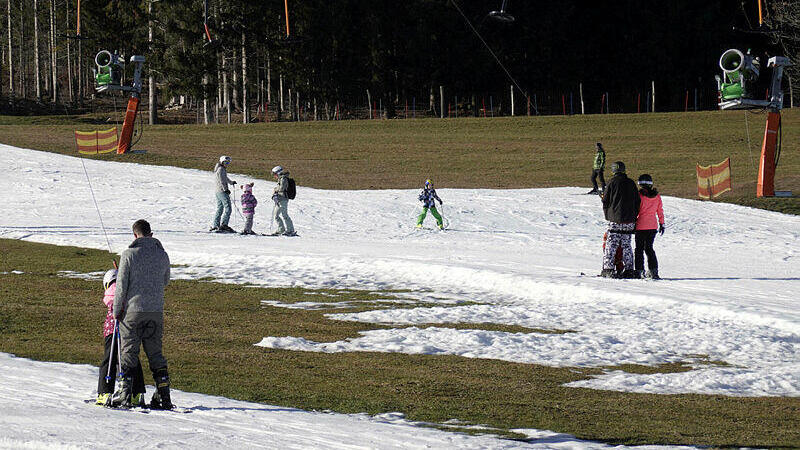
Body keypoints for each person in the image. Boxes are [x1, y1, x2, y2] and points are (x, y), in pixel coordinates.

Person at [112, 219, 173, 409]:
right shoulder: (162, 255)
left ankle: (124, 393)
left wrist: (116, 310)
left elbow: (121, 287)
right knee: (155, 354)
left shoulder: (129, 255)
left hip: (133, 311)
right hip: (155, 311)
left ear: (135, 235)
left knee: (129, 352)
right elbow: (166, 281)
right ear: (151, 234)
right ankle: (163, 393)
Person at [96, 268, 146, 407]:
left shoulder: (113, 289)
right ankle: (136, 393)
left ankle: (105, 392)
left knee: (109, 360)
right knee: (131, 358)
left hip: (114, 329)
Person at [600, 161, 640, 278]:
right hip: (629, 220)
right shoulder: (631, 183)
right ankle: (629, 269)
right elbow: (638, 202)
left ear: (613, 171)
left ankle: (609, 269)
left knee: (611, 244)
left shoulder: (611, 183)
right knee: (626, 245)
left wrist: (608, 215)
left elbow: (605, 201)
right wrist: (634, 216)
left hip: (615, 220)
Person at [634, 174, 665, 279]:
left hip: (641, 225)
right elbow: (660, 211)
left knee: (639, 249)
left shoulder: (639, 196)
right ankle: (653, 271)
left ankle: (639, 271)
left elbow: (636, 210)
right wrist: (662, 223)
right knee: (649, 249)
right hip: (652, 226)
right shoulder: (657, 196)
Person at [211, 155, 237, 233]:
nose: (227, 164)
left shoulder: (220, 169)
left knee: (220, 208)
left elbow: (225, 178)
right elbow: (222, 181)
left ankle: (216, 225)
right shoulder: (221, 169)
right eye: (225, 162)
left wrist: (231, 182)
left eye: (228, 163)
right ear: (222, 162)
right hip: (222, 191)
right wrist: (226, 190)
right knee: (228, 208)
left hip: (218, 191)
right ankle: (224, 225)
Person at [271, 165, 296, 236]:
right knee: (277, 215)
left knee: (283, 215)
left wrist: (275, 190)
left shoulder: (283, 179)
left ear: (278, 173)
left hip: (283, 199)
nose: (274, 176)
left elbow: (282, 188)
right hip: (280, 199)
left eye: (274, 174)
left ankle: (290, 230)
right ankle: (282, 229)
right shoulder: (281, 179)